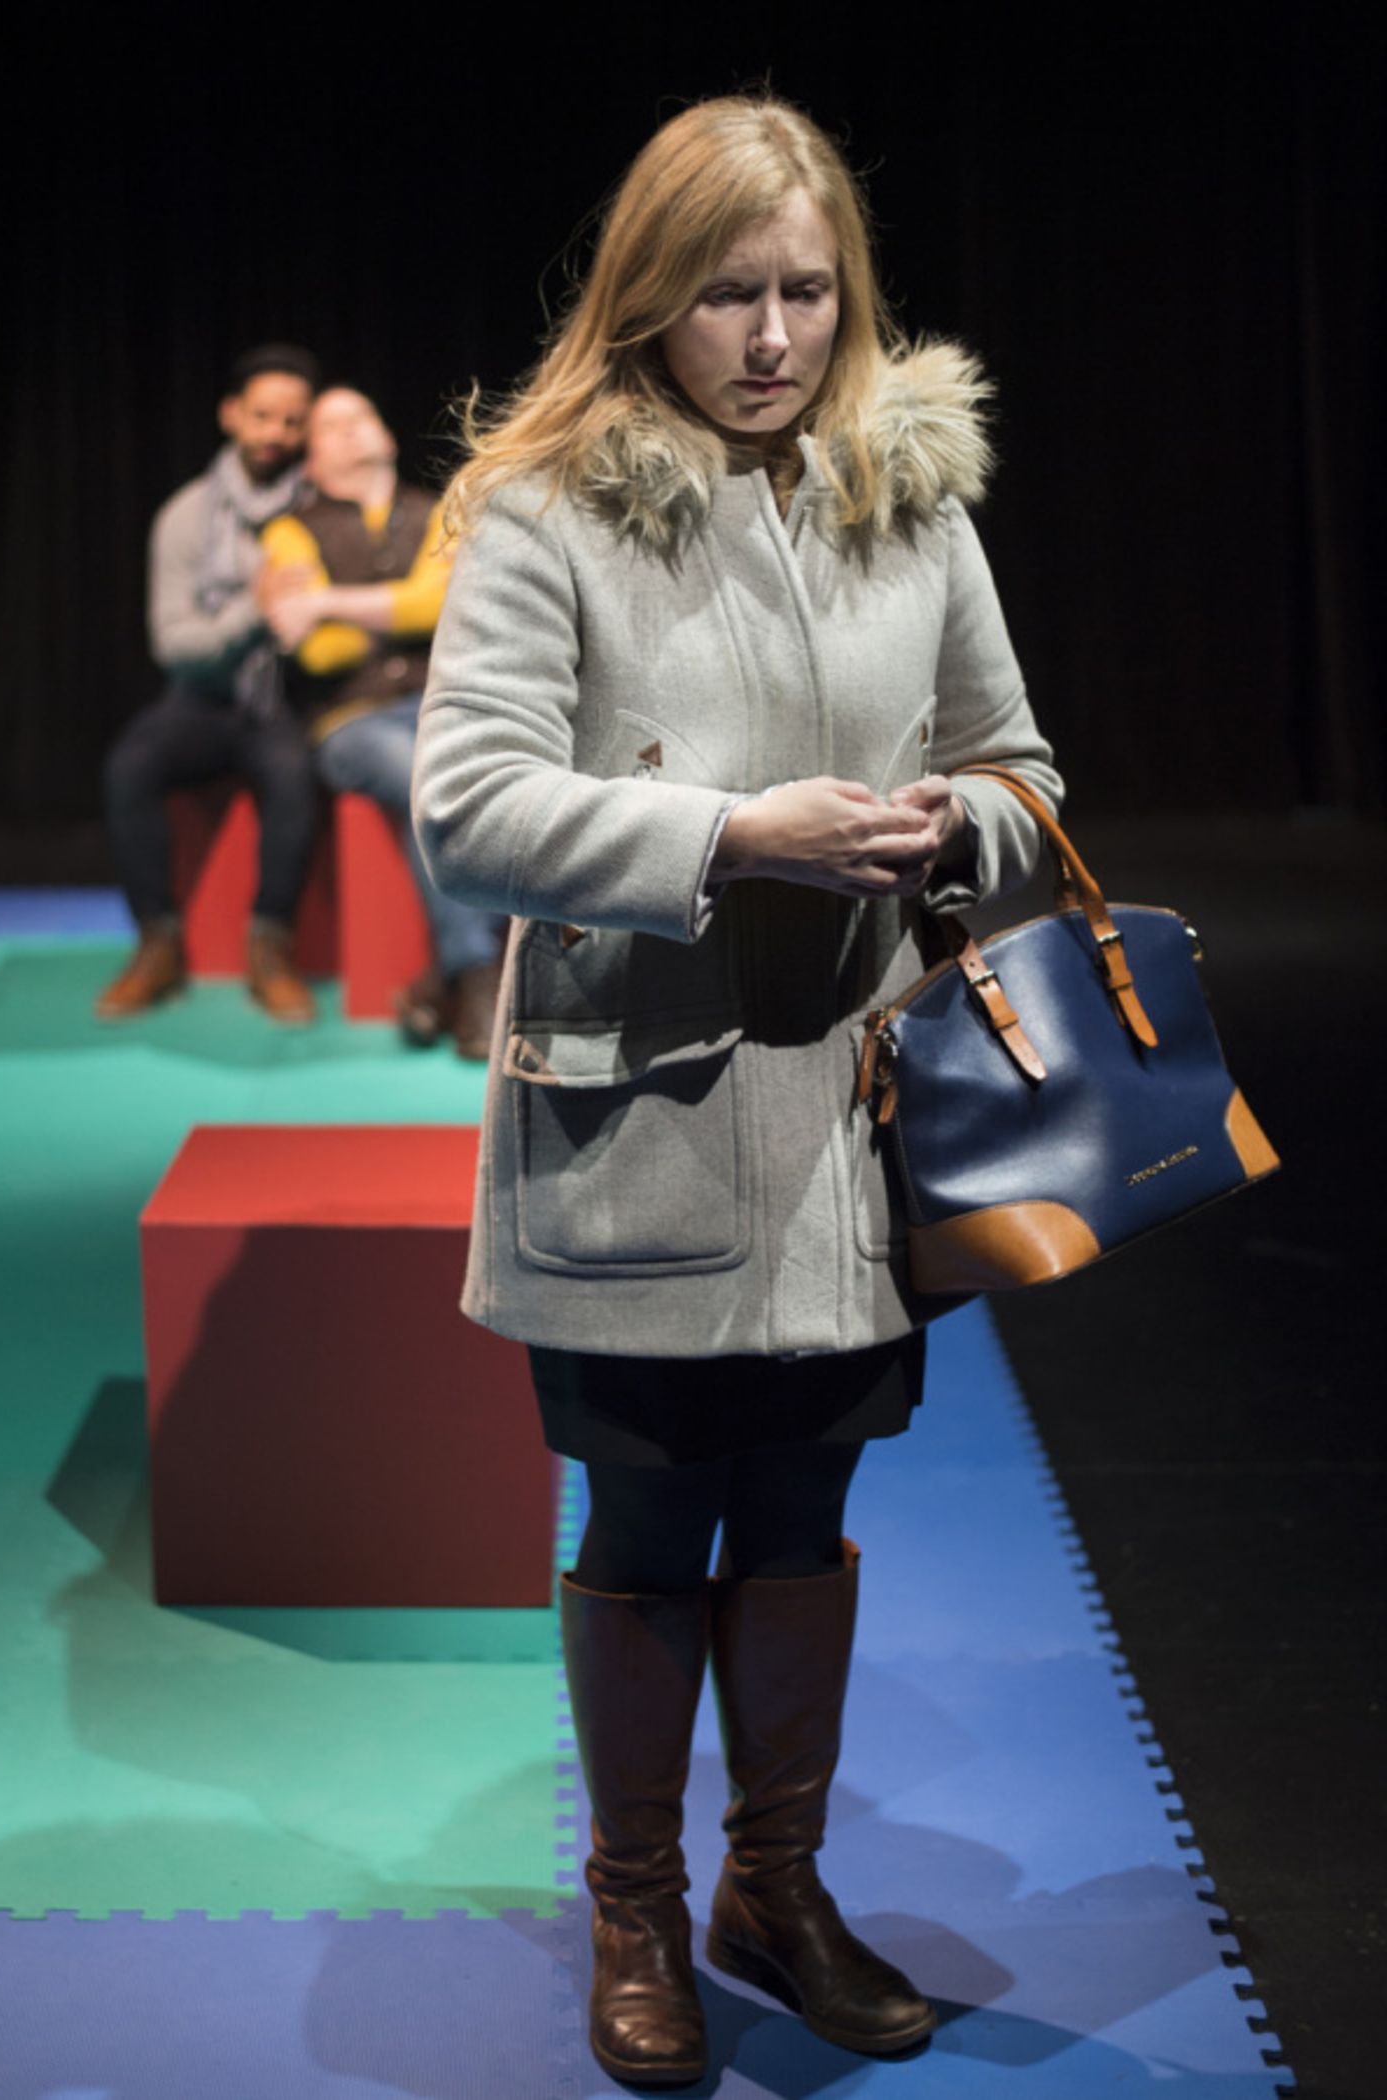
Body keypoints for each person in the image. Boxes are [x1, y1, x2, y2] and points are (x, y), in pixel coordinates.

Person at [413, 95, 1063, 2088]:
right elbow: (466, 810)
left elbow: (1024, 774)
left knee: (801, 1511)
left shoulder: (911, 498)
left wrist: (955, 830)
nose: (772, 337)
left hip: (858, 1136)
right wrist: (729, 835)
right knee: (645, 1513)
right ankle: (636, 1907)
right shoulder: (545, 510)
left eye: (806, 291)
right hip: (635, 1125)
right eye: (725, 295)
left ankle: (771, 1890)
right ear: (647, 295)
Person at [259, 387, 503, 1057]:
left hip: (439, 703)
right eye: (330, 425)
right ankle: (476, 974)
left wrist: (327, 601)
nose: (349, 430)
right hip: (351, 721)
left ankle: (439, 985)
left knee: (483, 768)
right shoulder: (289, 532)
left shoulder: (438, 512)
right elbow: (314, 649)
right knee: (427, 777)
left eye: (360, 416)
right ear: (311, 459)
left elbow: (439, 603)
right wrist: (397, 612)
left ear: (386, 435)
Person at [96, 344, 323, 1025]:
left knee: (294, 774)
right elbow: (175, 645)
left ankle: (270, 947)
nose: (275, 433)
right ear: (230, 415)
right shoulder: (187, 515)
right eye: (262, 416)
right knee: (129, 766)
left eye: (291, 421)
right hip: (201, 698)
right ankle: (157, 942)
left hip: (283, 702)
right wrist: (256, 611)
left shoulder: (318, 508)